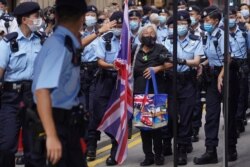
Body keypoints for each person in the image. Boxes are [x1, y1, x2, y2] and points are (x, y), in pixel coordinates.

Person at [32, 0, 88, 166]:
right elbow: (42, 91)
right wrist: (51, 136)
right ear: (82, 18)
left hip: (67, 124)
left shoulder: (66, 42)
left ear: (56, 16)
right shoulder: (59, 46)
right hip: (56, 124)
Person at [193, 5, 238, 164]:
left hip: (226, 74)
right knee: (211, 114)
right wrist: (202, 65)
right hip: (213, 76)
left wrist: (221, 75)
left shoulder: (221, 34)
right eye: (204, 20)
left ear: (216, 21)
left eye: (208, 20)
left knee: (228, 114)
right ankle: (210, 151)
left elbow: (228, 58)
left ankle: (231, 148)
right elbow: (210, 56)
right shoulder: (207, 35)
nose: (205, 23)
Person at [0, 2, 42, 167]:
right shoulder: (7, 43)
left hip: (34, 98)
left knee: (33, 147)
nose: (39, 20)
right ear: (25, 19)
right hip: (11, 98)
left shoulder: (41, 41)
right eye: (36, 17)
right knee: (6, 145)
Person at [163, 10, 203, 165]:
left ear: (189, 25)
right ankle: (172, 141)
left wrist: (180, 61)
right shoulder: (168, 40)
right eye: (178, 24)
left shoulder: (195, 40)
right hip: (171, 81)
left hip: (187, 82)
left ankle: (181, 148)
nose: (180, 26)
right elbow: (164, 61)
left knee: (186, 117)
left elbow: (196, 61)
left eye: (183, 24)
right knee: (172, 115)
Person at [87, 11, 123, 166]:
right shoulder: (104, 39)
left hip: (122, 82)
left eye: (122, 26)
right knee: (99, 115)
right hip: (105, 79)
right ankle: (93, 144)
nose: (119, 28)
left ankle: (115, 151)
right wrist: (112, 66)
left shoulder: (131, 40)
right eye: (116, 25)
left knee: (119, 116)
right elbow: (100, 61)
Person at [133, 24, 172, 166]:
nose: (149, 36)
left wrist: (157, 68)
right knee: (144, 127)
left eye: (152, 33)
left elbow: (171, 62)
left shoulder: (160, 48)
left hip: (156, 92)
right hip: (139, 93)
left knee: (157, 127)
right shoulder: (135, 49)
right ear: (141, 36)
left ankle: (159, 155)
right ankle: (148, 156)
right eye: (146, 33)